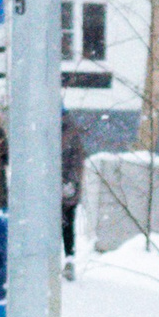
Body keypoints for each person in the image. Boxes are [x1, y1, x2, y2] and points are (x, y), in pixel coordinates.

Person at [59, 111, 85, 277]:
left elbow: (76, 161)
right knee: (64, 225)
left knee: (67, 225)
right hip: (56, 189)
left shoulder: (70, 134)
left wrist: (69, 183)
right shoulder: (68, 133)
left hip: (66, 190)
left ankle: (69, 259)